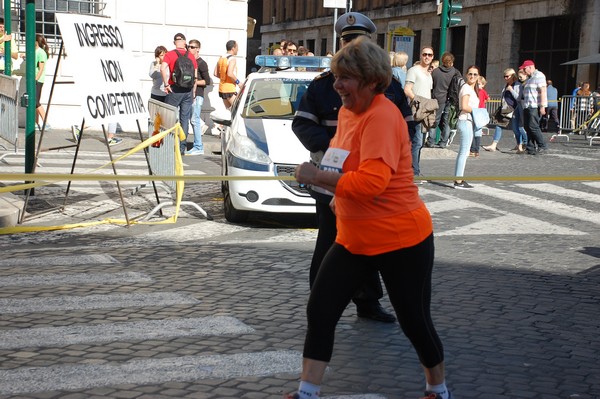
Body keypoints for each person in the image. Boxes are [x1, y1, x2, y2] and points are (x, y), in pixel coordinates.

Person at [289, 36, 452, 399]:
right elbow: (342, 157)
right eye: (336, 77)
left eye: (346, 78)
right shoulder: (348, 111)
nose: (337, 86)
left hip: (401, 239)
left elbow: (373, 183)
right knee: (320, 308)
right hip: (355, 238)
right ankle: (306, 392)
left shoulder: (382, 115)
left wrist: (316, 177)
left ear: (372, 81)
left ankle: (437, 389)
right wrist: (334, 193)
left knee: (414, 321)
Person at [292, 11, 415, 324]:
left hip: (374, 184)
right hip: (331, 180)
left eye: (358, 42)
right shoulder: (324, 86)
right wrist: (340, 142)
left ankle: (367, 303)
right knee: (329, 245)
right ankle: (318, 303)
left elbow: (408, 127)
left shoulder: (388, 88)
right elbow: (303, 127)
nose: (352, 47)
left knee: (370, 247)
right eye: (348, 41)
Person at [161, 33, 198, 155]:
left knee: (168, 117)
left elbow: (162, 68)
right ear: (185, 42)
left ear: (174, 42)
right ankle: (181, 148)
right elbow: (195, 75)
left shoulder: (170, 54)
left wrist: (166, 84)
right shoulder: (191, 56)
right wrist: (193, 92)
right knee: (184, 119)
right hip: (187, 91)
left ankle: (167, 144)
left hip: (174, 89)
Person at [405, 46, 435, 180]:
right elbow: (407, 89)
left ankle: (415, 169)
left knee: (420, 142)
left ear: (432, 57)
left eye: (429, 55)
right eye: (425, 54)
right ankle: (413, 172)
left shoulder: (429, 74)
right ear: (421, 55)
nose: (427, 57)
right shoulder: (413, 70)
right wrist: (418, 101)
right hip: (416, 110)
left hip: (426, 111)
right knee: (416, 142)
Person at [483, 68, 527, 153]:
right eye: (504, 76)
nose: (505, 78)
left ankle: (520, 145)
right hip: (505, 108)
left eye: (507, 76)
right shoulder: (506, 85)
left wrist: (511, 90)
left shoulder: (517, 85)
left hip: (514, 109)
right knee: (499, 125)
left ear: (512, 76)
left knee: (516, 129)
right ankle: (494, 145)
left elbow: (518, 98)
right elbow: (503, 95)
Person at [453, 65, 480, 189]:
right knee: (464, 152)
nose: (472, 76)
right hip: (465, 120)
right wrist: (477, 112)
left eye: (475, 74)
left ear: (478, 76)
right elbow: (464, 106)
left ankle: (459, 178)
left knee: (464, 151)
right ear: (466, 75)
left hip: (468, 121)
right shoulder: (466, 88)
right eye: (470, 74)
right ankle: (458, 181)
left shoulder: (472, 89)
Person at [427, 52, 460, 148]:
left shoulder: (436, 71)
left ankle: (431, 141)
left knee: (434, 120)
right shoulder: (455, 72)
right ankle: (443, 142)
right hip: (449, 99)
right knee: (446, 120)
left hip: (436, 98)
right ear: (452, 61)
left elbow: (430, 85)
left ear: (442, 61)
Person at [187, 39, 210, 156]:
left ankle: (198, 146)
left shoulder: (201, 63)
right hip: (189, 95)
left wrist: (194, 82)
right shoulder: (188, 61)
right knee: (191, 119)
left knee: (194, 120)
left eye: (192, 47)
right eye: (188, 47)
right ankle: (195, 145)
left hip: (198, 95)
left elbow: (208, 81)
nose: (189, 49)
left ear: (198, 49)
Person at [519, 59, 548, 155]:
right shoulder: (530, 78)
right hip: (527, 106)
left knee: (533, 126)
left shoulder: (539, 76)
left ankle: (542, 146)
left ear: (530, 67)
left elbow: (543, 91)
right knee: (527, 127)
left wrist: (542, 106)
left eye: (524, 68)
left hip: (534, 106)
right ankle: (530, 147)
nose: (523, 71)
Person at [214, 40, 241, 110]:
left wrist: (224, 78)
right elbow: (230, 73)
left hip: (222, 89)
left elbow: (215, 73)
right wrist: (239, 83)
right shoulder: (232, 59)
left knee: (229, 111)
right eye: (237, 47)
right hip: (229, 89)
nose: (238, 49)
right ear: (233, 48)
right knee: (238, 110)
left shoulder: (221, 58)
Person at [469, 75, 489, 157]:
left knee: (474, 131)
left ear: (483, 85)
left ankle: (473, 149)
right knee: (477, 131)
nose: (478, 85)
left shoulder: (478, 91)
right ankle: (476, 150)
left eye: (480, 84)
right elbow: (487, 99)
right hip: (481, 111)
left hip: (477, 111)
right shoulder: (482, 91)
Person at [34, 34, 51, 131]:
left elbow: (41, 68)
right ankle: (36, 123)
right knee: (34, 102)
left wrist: (36, 79)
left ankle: (46, 123)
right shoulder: (36, 51)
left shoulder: (41, 52)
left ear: (36, 42)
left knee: (36, 102)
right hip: (36, 79)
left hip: (38, 80)